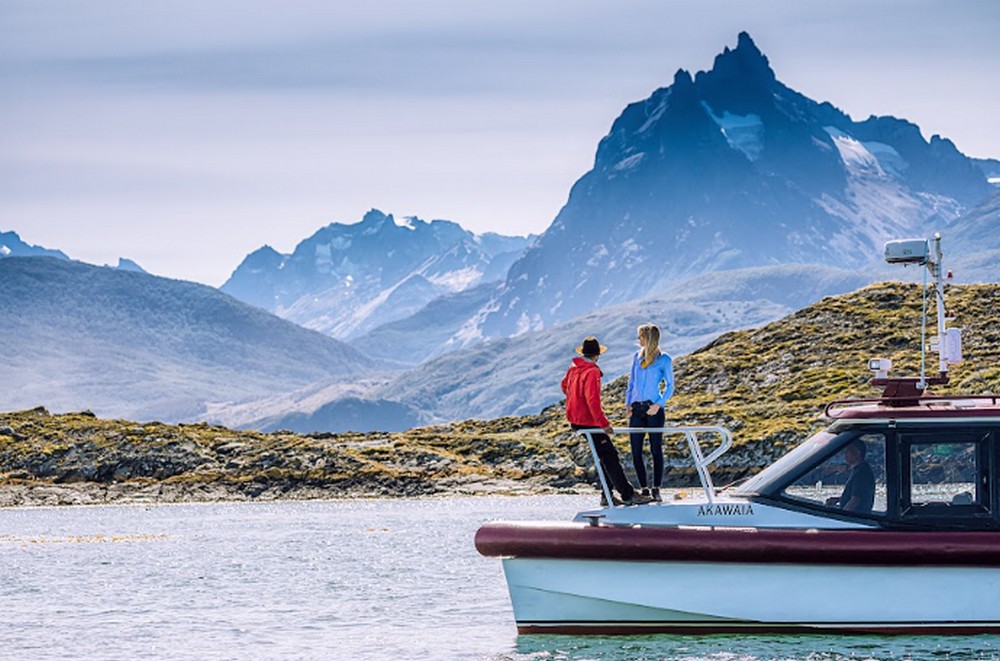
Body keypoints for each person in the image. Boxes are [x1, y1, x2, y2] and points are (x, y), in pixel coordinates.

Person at [562, 336, 651, 506]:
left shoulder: (574, 368)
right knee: (609, 456)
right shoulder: (592, 371)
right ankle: (627, 494)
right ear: (597, 355)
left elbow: (564, 386)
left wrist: (575, 401)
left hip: (575, 420)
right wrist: (604, 424)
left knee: (606, 455)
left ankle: (607, 495)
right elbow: (592, 401)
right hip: (589, 422)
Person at [624, 323, 674, 502]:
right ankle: (644, 489)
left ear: (649, 338)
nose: (638, 340)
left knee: (655, 449)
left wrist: (659, 405)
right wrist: (628, 405)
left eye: (641, 336)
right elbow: (631, 384)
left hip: (653, 409)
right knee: (635, 451)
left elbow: (670, 386)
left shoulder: (664, 359)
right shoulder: (636, 358)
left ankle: (656, 488)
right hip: (636, 410)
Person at [826, 439, 875, 513]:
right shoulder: (860, 469)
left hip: (856, 518)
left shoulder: (861, 473)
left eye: (848, 451)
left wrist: (842, 517)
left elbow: (855, 500)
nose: (845, 454)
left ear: (857, 453)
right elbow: (858, 495)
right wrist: (839, 499)